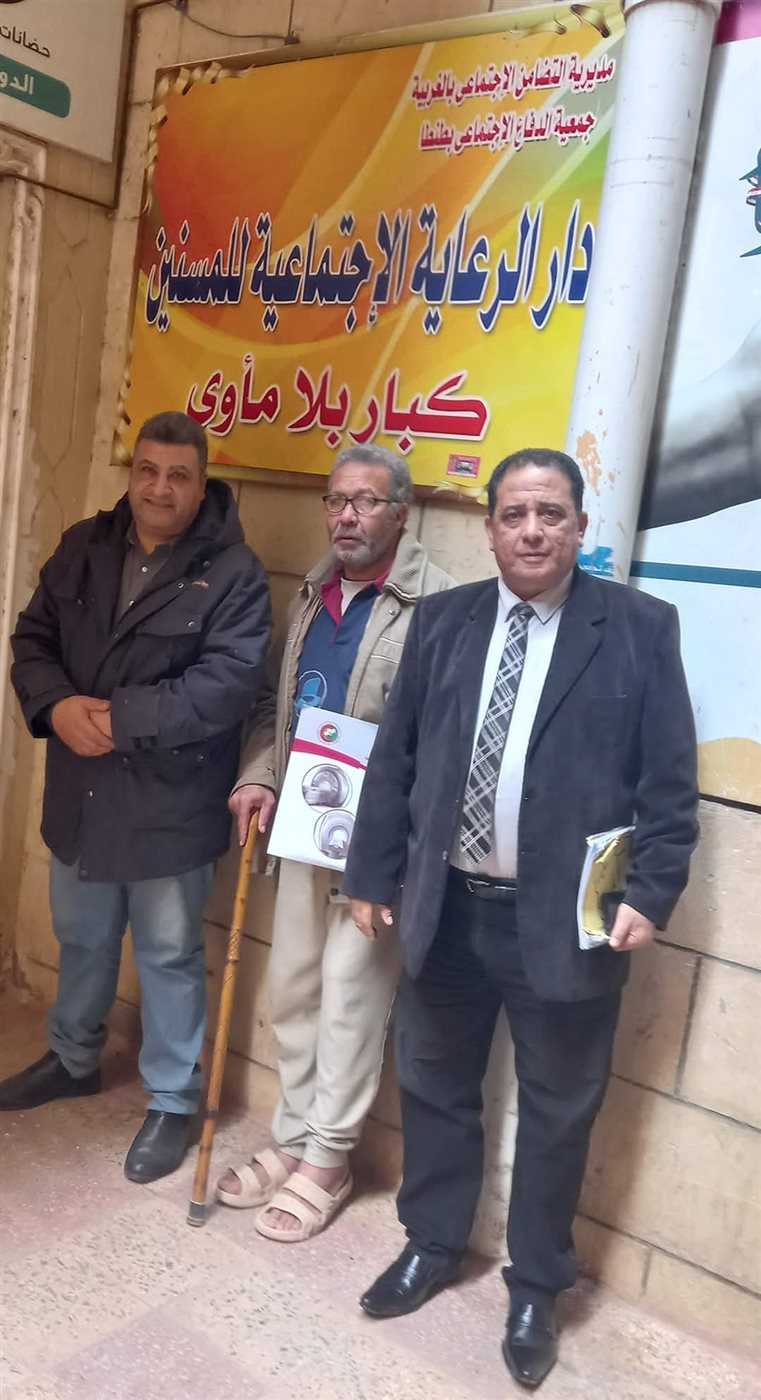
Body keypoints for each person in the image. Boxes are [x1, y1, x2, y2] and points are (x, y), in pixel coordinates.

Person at [345, 448, 698, 1389]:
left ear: (579, 527)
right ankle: (431, 1243)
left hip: (569, 923)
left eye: (550, 514)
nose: (532, 531)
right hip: (445, 909)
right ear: (490, 527)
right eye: (514, 515)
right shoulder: (444, 622)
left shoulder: (637, 628)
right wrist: (370, 875)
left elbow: (668, 784)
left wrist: (649, 894)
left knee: (557, 1112)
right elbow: (396, 760)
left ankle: (537, 1285)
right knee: (433, 1086)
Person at [0, 412, 271, 1185]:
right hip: (83, 792)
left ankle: (174, 1099)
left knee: (168, 953)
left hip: (169, 803)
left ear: (202, 484)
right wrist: (56, 707)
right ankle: (72, 1057)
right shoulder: (84, 546)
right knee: (82, 937)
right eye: (147, 470)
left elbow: (226, 686)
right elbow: (32, 640)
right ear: (131, 473)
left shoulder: (235, 575)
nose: (159, 488)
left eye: (178, 475)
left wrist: (121, 720)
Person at [216, 445, 454, 1242]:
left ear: (401, 513)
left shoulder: (436, 605)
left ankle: (327, 1159)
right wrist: (260, 774)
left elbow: (442, 741)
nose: (346, 516)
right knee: (292, 987)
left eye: (365, 501)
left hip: (376, 847)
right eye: (335, 500)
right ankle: (291, 1138)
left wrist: (395, 852)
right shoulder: (310, 595)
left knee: (352, 998)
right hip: (302, 826)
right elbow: (273, 707)